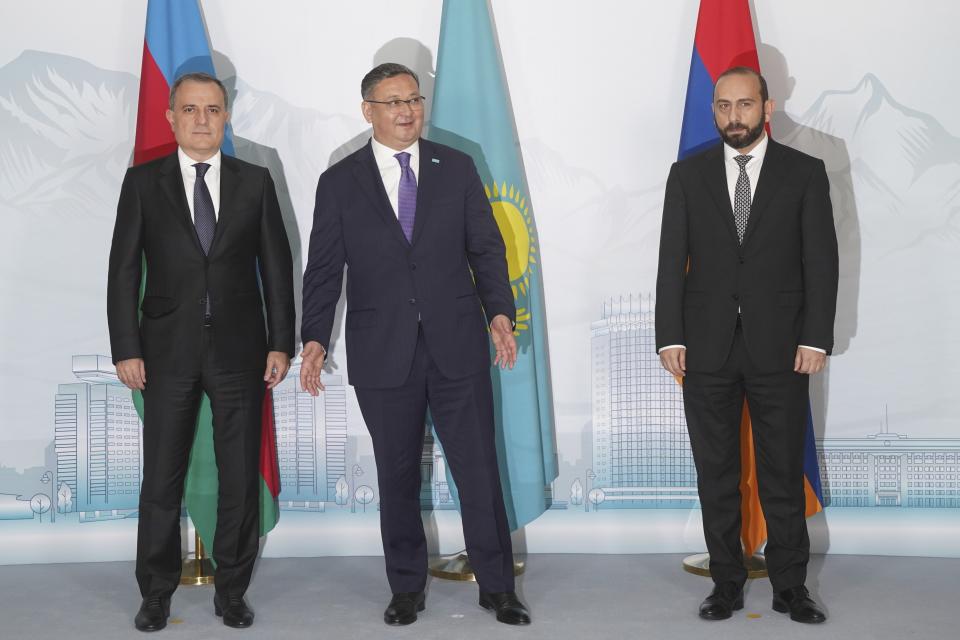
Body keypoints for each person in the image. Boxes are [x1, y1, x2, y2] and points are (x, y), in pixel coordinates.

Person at [299, 62, 530, 627]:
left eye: (414, 99)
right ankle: (406, 587)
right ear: (368, 111)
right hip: (383, 353)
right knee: (397, 475)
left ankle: (498, 586)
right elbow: (324, 270)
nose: (406, 111)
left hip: (456, 347)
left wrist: (499, 312)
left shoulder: (456, 166)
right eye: (393, 101)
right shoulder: (340, 180)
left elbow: (487, 250)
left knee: (477, 469)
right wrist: (313, 337)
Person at [107, 71, 295, 631]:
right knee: (161, 477)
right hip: (164, 353)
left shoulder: (255, 181)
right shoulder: (143, 182)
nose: (202, 120)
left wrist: (281, 342)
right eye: (190, 109)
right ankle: (155, 592)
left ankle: (232, 589)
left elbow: (277, 269)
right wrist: (126, 347)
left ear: (226, 114)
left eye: (212, 109)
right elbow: (122, 271)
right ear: (171, 116)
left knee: (238, 477)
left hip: (242, 352)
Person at [655, 66, 838, 624]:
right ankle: (726, 584)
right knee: (716, 473)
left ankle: (790, 588)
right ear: (714, 112)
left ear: (767, 106)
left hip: (782, 347)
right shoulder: (686, 175)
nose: (734, 116)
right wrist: (669, 337)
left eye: (744, 105)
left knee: (781, 470)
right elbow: (670, 264)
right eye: (724, 106)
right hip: (705, 349)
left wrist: (816, 337)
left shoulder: (805, 173)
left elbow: (822, 263)